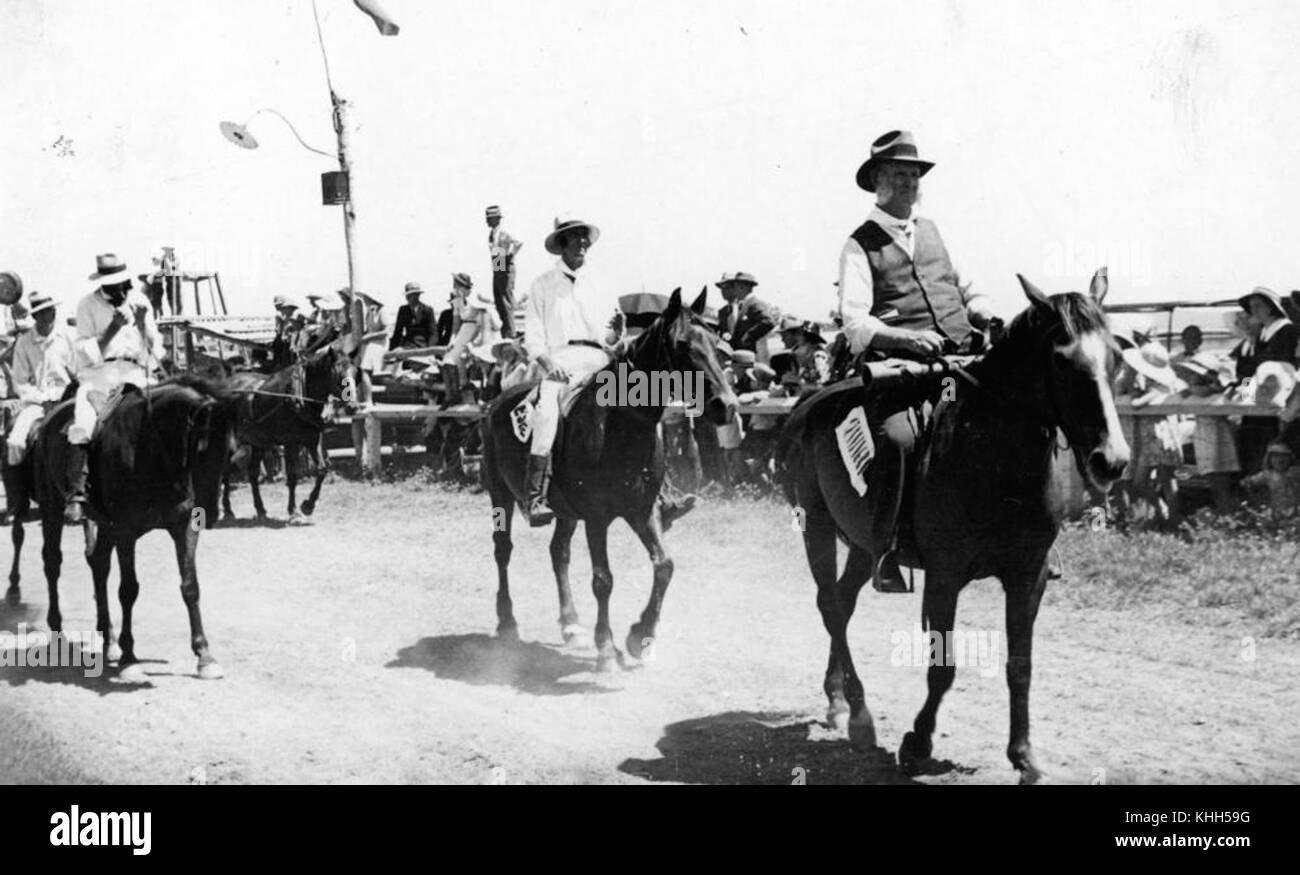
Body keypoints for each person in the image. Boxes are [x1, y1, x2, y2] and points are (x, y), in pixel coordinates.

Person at [837, 130, 999, 591]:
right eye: (898, 174)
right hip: (903, 372)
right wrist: (905, 340)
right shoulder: (859, 245)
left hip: (961, 362)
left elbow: (968, 287)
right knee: (899, 440)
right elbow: (855, 324)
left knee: (1016, 422)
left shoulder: (934, 232)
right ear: (877, 182)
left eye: (914, 174)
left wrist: (985, 310)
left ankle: (1025, 537)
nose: (909, 182)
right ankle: (885, 550)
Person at [67, 253, 166, 522]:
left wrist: (144, 321)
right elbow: (83, 353)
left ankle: (174, 490)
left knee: (167, 418)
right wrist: (113, 328)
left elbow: (153, 350)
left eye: (122, 284)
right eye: (113, 285)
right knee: (84, 425)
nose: (120, 290)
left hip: (137, 373)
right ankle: (77, 494)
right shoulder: (87, 304)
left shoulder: (140, 300)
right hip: (100, 375)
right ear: (103, 284)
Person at [5, 291, 75, 466]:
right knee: (15, 442)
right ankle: (17, 492)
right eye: (42, 312)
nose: (48, 316)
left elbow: (79, 370)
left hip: (70, 400)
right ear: (35, 316)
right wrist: (43, 399)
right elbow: (20, 382)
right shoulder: (24, 343)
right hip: (37, 404)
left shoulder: (69, 336)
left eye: (50, 310)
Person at [1235, 287, 1296, 475]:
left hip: (1277, 399)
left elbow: (1279, 366)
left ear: (1270, 307)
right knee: (1252, 445)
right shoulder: (1260, 336)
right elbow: (1245, 372)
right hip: (1256, 400)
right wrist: (1245, 395)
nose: (1254, 311)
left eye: (1258, 306)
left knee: (1272, 449)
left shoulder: (1286, 330)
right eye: (1251, 307)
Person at [441, 273, 500, 408]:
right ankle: (452, 395)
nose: (454, 287)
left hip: (479, 329)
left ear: (462, 286)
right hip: (465, 329)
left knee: (478, 358)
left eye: (456, 285)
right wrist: (452, 340)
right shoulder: (457, 301)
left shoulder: (476, 298)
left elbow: (484, 320)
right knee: (448, 360)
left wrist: (475, 341)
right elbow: (456, 325)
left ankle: (485, 393)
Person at [715, 272, 778, 361]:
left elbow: (769, 321)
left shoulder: (754, 304)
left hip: (752, 357)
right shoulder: (734, 308)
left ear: (742, 287)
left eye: (734, 286)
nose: (734, 289)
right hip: (736, 357)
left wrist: (746, 338)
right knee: (696, 373)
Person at [486, 205, 524, 338]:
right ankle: (505, 330)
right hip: (497, 260)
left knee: (505, 299)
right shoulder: (492, 233)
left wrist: (511, 255)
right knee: (498, 298)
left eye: (490, 218)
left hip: (504, 260)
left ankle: (511, 332)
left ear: (497, 218)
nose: (487, 221)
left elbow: (519, 242)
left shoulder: (504, 231)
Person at [1241, 442, 1300, 514]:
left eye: (1284, 456)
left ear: (1290, 458)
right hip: (1277, 511)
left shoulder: (1296, 472)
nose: (1280, 460)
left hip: (1296, 510)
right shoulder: (1267, 474)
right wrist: (1247, 483)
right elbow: (1249, 482)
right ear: (1269, 459)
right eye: (1276, 457)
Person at [389, 281, 437, 350]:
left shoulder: (428, 310)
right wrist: (392, 349)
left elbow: (433, 333)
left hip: (423, 347)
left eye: (415, 295)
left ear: (418, 295)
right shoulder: (403, 310)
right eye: (409, 296)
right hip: (406, 346)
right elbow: (398, 332)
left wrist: (430, 350)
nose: (411, 298)